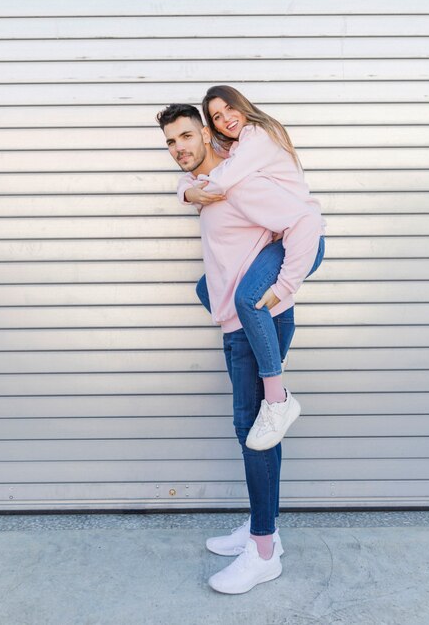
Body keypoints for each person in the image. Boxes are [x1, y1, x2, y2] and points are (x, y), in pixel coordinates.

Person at [157, 100, 324, 594]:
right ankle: (259, 525)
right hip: (236, 323)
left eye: (186, 136)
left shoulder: (241, 184)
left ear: (207, 136)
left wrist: (286, 286)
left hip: (261, 319)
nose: (178, 148)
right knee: (248, 428)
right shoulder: (206, 190)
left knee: (256, 432)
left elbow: (306, 223)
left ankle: (264, 549)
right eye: (170, 142)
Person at [178, 85, 325, 452]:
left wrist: (194, 192)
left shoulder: (258, 135)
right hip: (282, 239)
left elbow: (223, 179)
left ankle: (278, 400)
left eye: (229, 108)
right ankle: (270, 348)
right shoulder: (237, 146)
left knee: (248, 298)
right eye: (216, 116)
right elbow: (206, 168)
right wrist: (185, 190)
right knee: (207, 287)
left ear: (243, 107)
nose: (226, 117)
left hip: (302, 241)